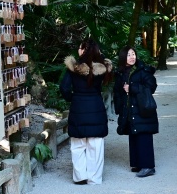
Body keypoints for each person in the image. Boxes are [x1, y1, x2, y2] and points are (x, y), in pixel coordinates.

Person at [60, 38, 112, 185]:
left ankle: (80, 176)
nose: (78, 50)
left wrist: (73, 98)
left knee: (78, 144)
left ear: (83, 50)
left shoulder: (73, 68)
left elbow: (64, 88)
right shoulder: (102, 68)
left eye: (80, 47)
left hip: (78, 108)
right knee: (96, 145)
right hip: (96, 107)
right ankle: (94, 178)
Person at [114, 46, 159, 178]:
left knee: (143, 135)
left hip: (142, 108)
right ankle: (138, 163)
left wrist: (132, 88)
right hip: (129, 108)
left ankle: (148, 166)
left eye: (133, 54)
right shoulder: (121, 72)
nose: (132, 57)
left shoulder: (142, 70)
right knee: (133, 135)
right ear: (123, 57)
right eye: (129, 55)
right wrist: (119, 108)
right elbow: (117, 91)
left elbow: (151, 86)